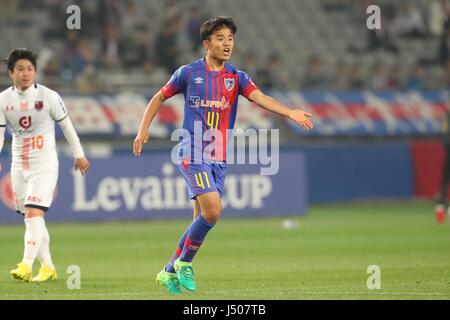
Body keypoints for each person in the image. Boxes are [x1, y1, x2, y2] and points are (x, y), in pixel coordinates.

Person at [133, 16, 313, 294]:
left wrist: (290, 112)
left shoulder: (237, 78)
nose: (227, 43)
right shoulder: (188, 73)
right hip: (192, 151)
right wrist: (142, 130)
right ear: (207, 43)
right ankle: (184, 264)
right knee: (214, 211)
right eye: (220, 38)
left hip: (218, 157)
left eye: (230, 38)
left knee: (200, 218)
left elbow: (261, 97)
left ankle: (168, 271)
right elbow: (159, 97)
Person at [0, 49, 90, 282]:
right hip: (19, 165)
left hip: (45, 164)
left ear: (35, 72)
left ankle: (26, 264)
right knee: (31, 218)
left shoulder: (48, 96)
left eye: (29, 69)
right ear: (11, 72)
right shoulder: (3, 100)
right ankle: (48, 266)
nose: (25, 73)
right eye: (20, 69)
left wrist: (79, 154)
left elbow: (67, 127)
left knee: (33, 213)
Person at [436, 109, 450, 223]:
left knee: (444, 183)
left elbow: (444, 135)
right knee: (444, 183)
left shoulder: (446, 116)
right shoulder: (447, 116)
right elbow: (444, 135)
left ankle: (441, 209)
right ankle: (441, 209)